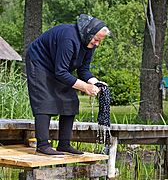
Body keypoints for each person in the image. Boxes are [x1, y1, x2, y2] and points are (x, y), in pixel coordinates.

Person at [26, 14, 110, 156]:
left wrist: (95, 82)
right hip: (40, 62)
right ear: (88, 33)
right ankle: (42, 145)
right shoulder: (69, 38)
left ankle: (64, 144)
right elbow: (61, 72)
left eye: (99, 41)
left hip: (59, 68)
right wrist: (85, 87)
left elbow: (83, 69)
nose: (97, 44)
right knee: (45, 101)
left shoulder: (89, 45)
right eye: (96, 40)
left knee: (71, 99)